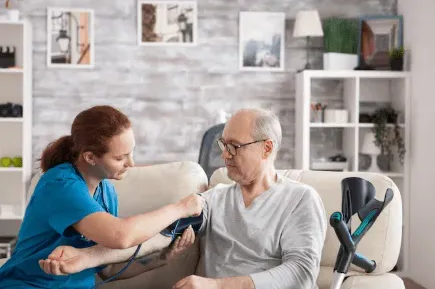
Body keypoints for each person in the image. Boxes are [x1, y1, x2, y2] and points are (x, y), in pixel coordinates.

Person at [39, 108, 327, 289]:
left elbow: (301, 273)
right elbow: (158, 236)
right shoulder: (215, 199)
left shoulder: (300, 199)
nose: (225, 155)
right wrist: (87, 258)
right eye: (223, 145)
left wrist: (216, 286)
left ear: (266, 149)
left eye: (235, 147)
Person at [0, 105, 203, 288]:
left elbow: (107, 269)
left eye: (131, 153)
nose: (131, 163)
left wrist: (163, 258)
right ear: (90, 157)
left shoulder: (106, 192)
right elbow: (121, 236)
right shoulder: (60, 185)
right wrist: (180, 208)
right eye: (120, 157)